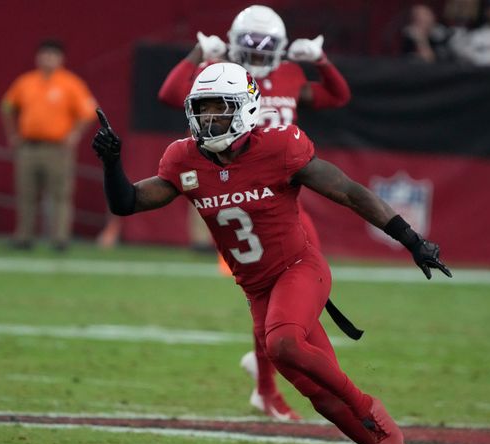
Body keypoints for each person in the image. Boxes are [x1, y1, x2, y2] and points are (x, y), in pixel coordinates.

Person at [92, 62, 453, 444]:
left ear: (244, 109)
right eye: (200, 111)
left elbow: (348, 191)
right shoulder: (184, 160)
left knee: (280, 342)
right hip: (258, 289)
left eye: (218, 110)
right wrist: (111, 164)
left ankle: (370, 409)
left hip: (300, 269)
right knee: (323, 399)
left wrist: (412, 240)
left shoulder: (280, 147)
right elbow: (126, 203)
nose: (207, 121)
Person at [151, 4, 352, 421]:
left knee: (290, 294)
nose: (259, 59)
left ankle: (284, 375)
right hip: (239, 191)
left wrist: (322, 61)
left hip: (279, 193)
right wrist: (196, 55)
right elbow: (170, 94)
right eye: (250, 49)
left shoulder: (291, 75)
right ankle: (274, 383)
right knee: (268, 297)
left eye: (266, 51)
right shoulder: (220, 74)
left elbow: (337, 96)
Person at [1, 38, 97, 251]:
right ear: (37, 57)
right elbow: (7, 106)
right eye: (44, 55)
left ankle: (60, 239)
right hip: (28, 147)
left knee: (60, 195)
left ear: (61, 59)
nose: (47, 59)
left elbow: (89, 111)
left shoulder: (70, 83)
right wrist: (12, 134)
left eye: (52, 55)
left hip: (57, 148)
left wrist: (74, 134)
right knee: (26, 193)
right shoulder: (25, 82)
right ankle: (23, 237)